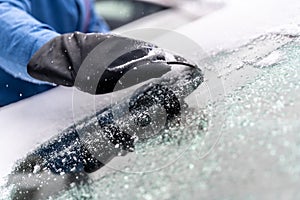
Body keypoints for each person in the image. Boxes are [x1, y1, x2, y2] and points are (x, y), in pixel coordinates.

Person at [0, 0, 172, 107]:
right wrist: (64, 54)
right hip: (14, 131)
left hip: (63, 118)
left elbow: (95, 33)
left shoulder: (83, 4)